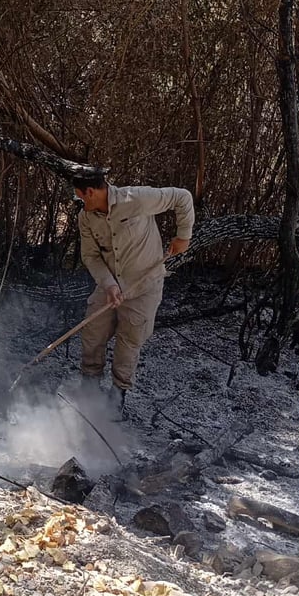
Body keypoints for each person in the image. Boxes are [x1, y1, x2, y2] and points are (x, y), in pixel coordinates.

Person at [73, 174, 194, 415]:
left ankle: (117, 397)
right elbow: (91, 256)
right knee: (92, 334)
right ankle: (89, 389)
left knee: (129, 343)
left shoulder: (136, 199)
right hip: (110, 285)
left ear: (90, 192)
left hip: (144, 287)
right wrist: (108, 284)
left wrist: (184, 236)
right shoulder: (85, 218)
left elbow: (182, 197)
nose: (77, 200)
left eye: (78, 194)